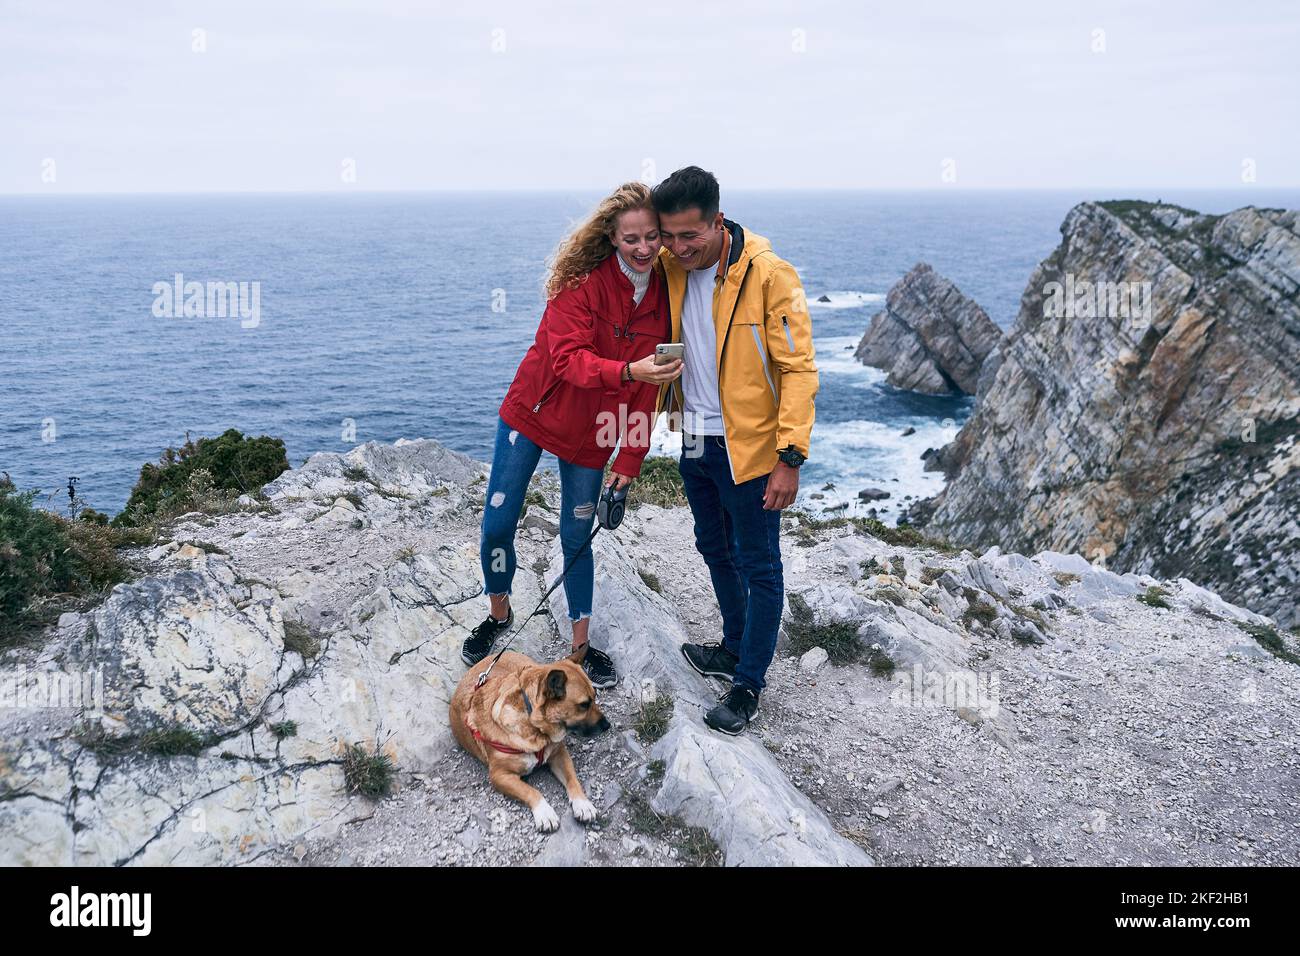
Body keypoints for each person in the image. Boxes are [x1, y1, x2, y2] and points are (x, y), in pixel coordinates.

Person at [462, 182, 682, 689]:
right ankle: (498, 615)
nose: (644, 248)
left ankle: (581, 647)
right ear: (612, 235)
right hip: (534, 414)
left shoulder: (666, 300)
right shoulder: (580, 282)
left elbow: (652, 392)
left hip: (592, 434)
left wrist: (629, 462)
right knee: (498, 523)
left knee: (577, 537)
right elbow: (568, 361)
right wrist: (630, 371)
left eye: (653, 237)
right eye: (632, 238)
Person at [651, 166, 818, 734]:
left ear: (717, 223)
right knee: (712, 547)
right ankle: (732, 645)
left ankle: (747, 685)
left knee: (760, 564)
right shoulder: (674, 268)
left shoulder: (771, 275)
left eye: (688, 237)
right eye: (668, 237)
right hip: (694, 438)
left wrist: (789, 457)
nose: (676, 248)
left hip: (749, 449)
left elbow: (797, 369)